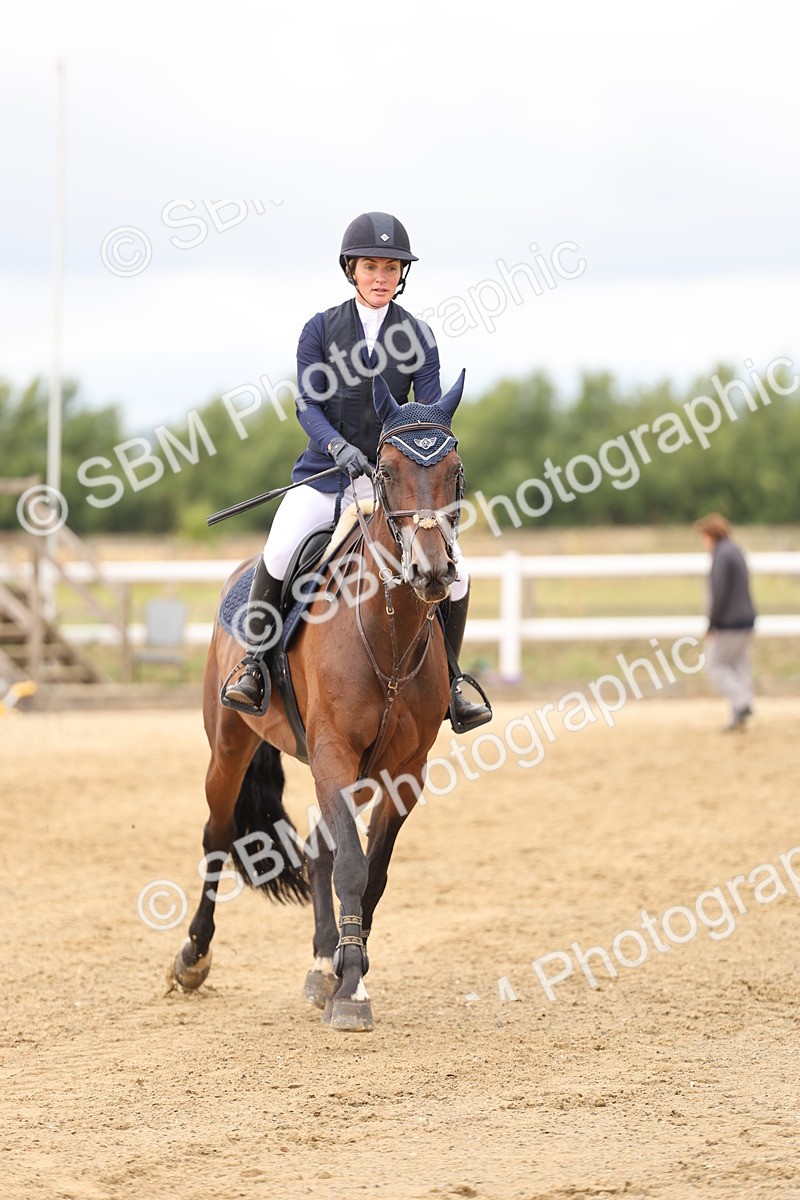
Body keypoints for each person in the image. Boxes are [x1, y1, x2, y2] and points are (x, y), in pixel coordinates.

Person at [223, 210, 491, 731]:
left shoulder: (418, 335)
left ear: (401, 275)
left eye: (391, 268)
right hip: (325, 476)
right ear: (352, 269)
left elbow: (429, 412)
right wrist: (340, 449)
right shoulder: (320, 329)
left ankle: (455, 680)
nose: (381, 277)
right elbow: (307, 405)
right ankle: (253, 665)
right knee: (279, 549)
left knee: (457, 574)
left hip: (396, 490)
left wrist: (414, 461)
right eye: (371, 266)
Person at [695, 513, 757, 732]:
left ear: (710, 535)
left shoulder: (720, 555)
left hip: (729, 621)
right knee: (740, 666)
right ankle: (739, 713)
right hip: (747, 618)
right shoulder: (736, 551)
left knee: (715, 665)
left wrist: (712, 623)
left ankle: (742, 703)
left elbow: (719, 592)